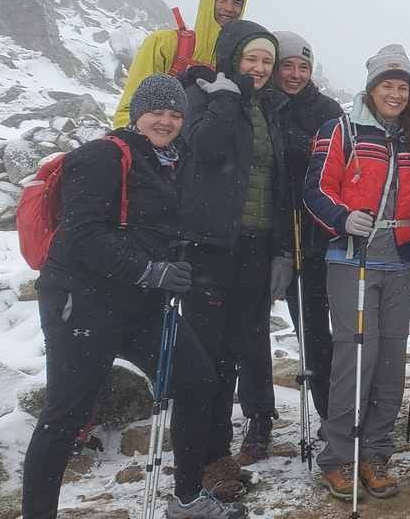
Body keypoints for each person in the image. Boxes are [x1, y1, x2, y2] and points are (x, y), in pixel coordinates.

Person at [23, 74, 244, 519]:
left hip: (142, 302)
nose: (166, 121)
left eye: (176, 113)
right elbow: (83, 236)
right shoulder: (102, 156)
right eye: (156, 112)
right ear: (136, 114)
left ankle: (186, 500)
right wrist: (150, 270)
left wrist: (172, 263)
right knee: (67, 413)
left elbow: (152, 227)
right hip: (83, 299)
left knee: (197, 379)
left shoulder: (169, 160)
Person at [303, 44, 410, 501]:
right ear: (372, 88)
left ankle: (374, 453)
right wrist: (341, 218)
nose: (396, 93)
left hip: (401, 259)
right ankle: (339, 457)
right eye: (388, 84)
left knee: (389, 362)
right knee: (354, 357)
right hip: (351, 259)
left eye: (403, 86)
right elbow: (315, 191)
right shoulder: (340, 130)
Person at [176, 20, 289, 499]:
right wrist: (227, 94)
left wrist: (282, 249)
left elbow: (276, 183)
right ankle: (199, 462)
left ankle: (217, 454)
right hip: (210, 245)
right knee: (203, 358)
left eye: (267, 60)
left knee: (231, 354)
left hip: (254, 249)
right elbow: (205, 145)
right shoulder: (203, 94)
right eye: (252, 59)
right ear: (233, 58)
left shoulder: (268, 109)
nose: (260, 68)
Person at [246, 32, 344, 436]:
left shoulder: (327, 110)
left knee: (316, 329)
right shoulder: (258, 104)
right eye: (287, 65)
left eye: (303, 66)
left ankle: (329, 413)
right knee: (251, 329)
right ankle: (258, 416)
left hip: (314, 234)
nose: (295, 74)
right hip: (261, 230)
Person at [114, 0, 248, 127]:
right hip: (159, 144)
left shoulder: (239, 59)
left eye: (237, 3)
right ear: (208, 1)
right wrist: (129, 143)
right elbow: (132, 101)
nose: (229, 8)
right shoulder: (164, 43)